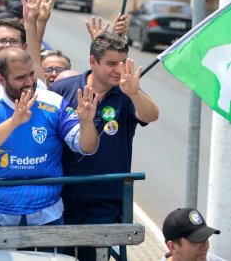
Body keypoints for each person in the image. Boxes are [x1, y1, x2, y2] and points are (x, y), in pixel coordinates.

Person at [50, 31, 159, 261]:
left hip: (104, 204)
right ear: (92, 61)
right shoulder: (64, 89)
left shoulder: (127, 93)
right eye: (111, 63)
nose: (118, 70)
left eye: (122, 63)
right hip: (60, 199)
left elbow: (151, 115)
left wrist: (134, 92)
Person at [0, 48, 99, 227]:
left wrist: (87, 123)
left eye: (31, 74)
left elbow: (87, 147)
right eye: (20, 78)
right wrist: (13, 122)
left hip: (47, 213)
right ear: (0, 80)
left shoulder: (54, 102)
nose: (29, 83)